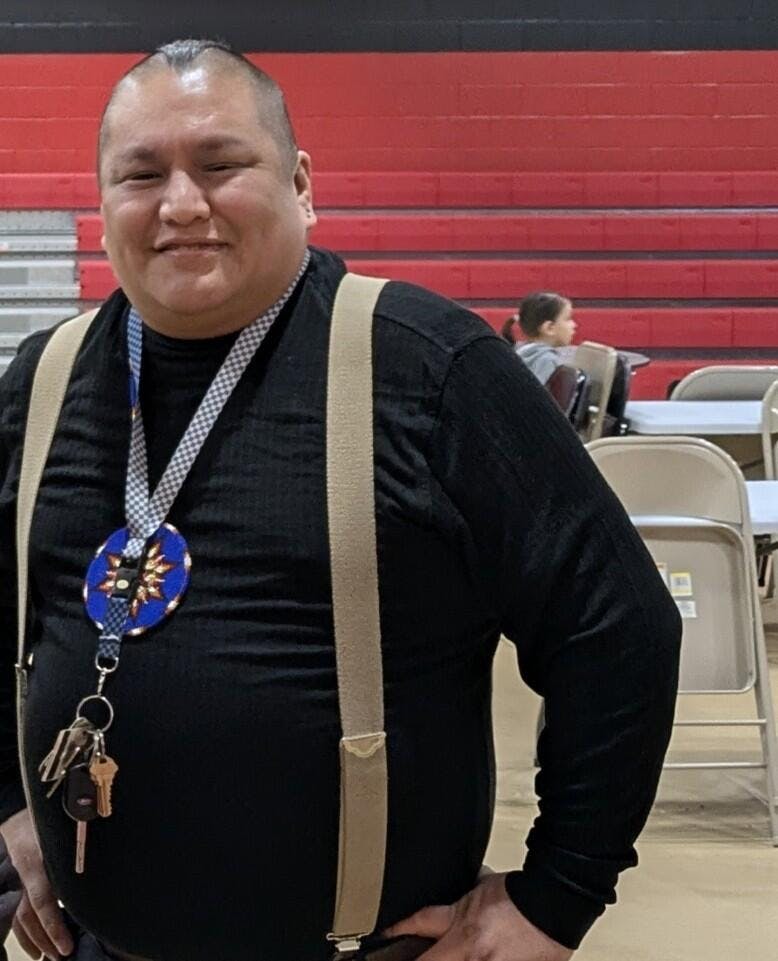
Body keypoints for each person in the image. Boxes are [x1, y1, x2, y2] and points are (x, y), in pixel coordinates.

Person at [0, 39, 681, 961]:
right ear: (103, 197)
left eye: (220, 164)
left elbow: (619, 624)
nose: (181, 203)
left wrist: (558, 894)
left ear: (301, 183)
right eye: (142, 174)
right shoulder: (44, 381)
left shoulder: (430, 368)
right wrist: (9, 801)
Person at [510, 292, 577, 385]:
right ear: (549, 328)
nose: (574, 325)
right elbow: (538, 393)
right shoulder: (547, 360)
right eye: (568, 319)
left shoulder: (520, 351)